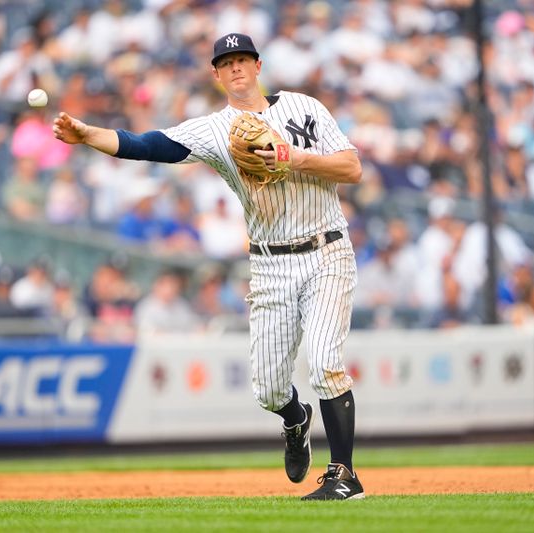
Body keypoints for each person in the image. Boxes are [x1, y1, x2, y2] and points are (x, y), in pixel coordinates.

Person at [53, 33, 364, 500]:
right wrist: (87, 135)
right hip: (270, 264)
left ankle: (344, 476)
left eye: (242, 59)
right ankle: (295, 419)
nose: (236, 67)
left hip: (326, 249)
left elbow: (352, 168)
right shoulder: (214, 130)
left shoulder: (305, 107)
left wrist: (295, 157)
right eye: (226, 62)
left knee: (324, 363)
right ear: (215, 74)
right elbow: (146, 144)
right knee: (269, 389)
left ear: (258, 66)